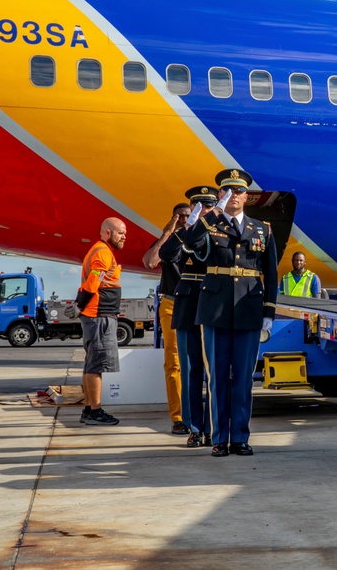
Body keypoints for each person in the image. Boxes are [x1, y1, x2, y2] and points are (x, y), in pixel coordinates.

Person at [184, 169, 278, 457]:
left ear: (246, 196)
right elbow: (190, 244)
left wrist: (268, 313)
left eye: (238, 191)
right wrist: (212, 214)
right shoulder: (209, 225)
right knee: (217, 377)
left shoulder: (262, 229)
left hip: (248, 309)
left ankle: (240, 437)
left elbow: (271, 273)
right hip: (215, 310)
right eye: (228, 191)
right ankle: (218, 437)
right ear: (221, 194)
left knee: (244, 378)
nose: (233, 196)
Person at [159, 186, 217, 448]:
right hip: (187, 307)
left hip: (215, 306)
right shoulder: (183, 234)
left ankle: (215, 429)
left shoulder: (224, 232)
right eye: (197, 206)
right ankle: (194, 427)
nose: (202, 210)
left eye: (207, 206)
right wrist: (184, 230)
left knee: (215, 371)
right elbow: (165, 254)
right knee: (190, 370)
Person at [142, 202, 192, 435]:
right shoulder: (168, 241)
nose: (183, 220)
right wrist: (166, 234)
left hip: (197, 303)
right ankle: (178, 417)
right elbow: (151, 261)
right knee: (174, 363)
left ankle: (203, 413)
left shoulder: (200, 238)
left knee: (206, 360)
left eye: (187, 216)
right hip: (172, 303)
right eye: (178, 216)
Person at [76, 217, 127, 426]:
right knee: (96, 364)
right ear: (107, 233)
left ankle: (89, 409)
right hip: (99, 316)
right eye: (120, 233)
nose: (124, 237)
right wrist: (81, 304)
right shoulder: (103, 253)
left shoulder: (100, 251)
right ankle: (95, 411)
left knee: (91, 364)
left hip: (96, 316)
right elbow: (93, 282)